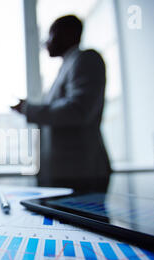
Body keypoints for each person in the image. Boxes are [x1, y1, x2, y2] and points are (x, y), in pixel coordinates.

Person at [12, 15, 111, 192]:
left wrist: (29, 109)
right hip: (68, 173)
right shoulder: (69, 65)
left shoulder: (86, 59)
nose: (46, 42)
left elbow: (78, 110)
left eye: (51, 35)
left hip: (80, 173)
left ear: (67, 34)